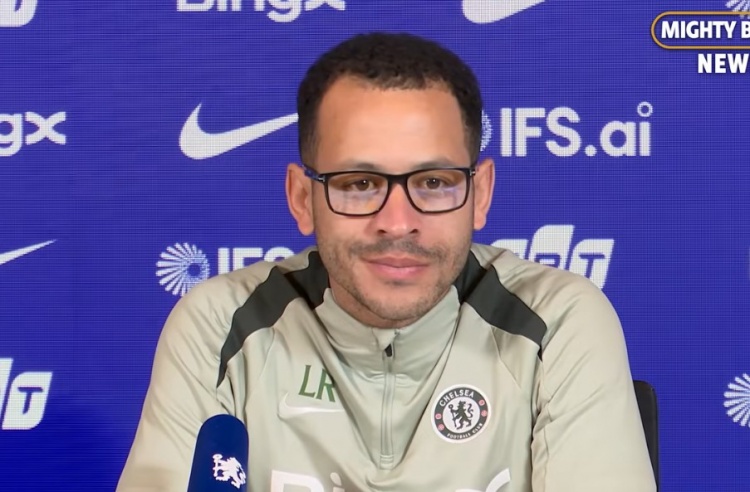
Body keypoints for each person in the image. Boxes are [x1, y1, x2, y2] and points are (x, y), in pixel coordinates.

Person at [117, 32, 656, 492]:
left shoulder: (558, 321)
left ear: (481, 194)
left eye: (434, 183)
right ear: (302, 198)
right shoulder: (219, 325)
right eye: (359, 184)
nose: (397, 223)